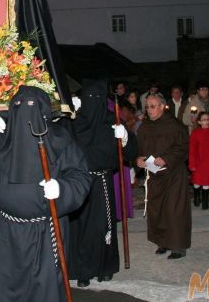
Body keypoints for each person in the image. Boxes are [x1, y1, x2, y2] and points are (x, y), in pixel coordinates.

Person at [0, 86, 91, 301]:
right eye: (18, 106)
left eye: (32, 106)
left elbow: (81, 177)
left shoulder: (60, 140)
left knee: (45, 291)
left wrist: (62, 188)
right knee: (8, 287)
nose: (24, 111)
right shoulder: (3, 141)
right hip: (7, 231)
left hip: (45, 230)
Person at [68, 79, 135, 288]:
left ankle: (104, 266)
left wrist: (124, 138)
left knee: (102, 226)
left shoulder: (112, 121)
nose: (92, 103)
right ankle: (82, 271)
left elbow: (131, 152)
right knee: (80, 226)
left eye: (97, 98)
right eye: (88, 98)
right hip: (79, 182)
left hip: (103, 181)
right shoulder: (74, 123)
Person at [136, 93, 191, 259]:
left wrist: (166, 158)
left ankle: (178, 246)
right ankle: (163, 242)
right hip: (154, 174)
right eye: (147, 107)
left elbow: (183, 148)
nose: (149, 110)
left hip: (174, 174)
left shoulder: (174, 125)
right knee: (157, 210)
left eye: (152, 107)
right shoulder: (144, 127)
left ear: (162, 107)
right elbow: (138, 149)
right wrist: (137, 159)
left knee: (174, 210)